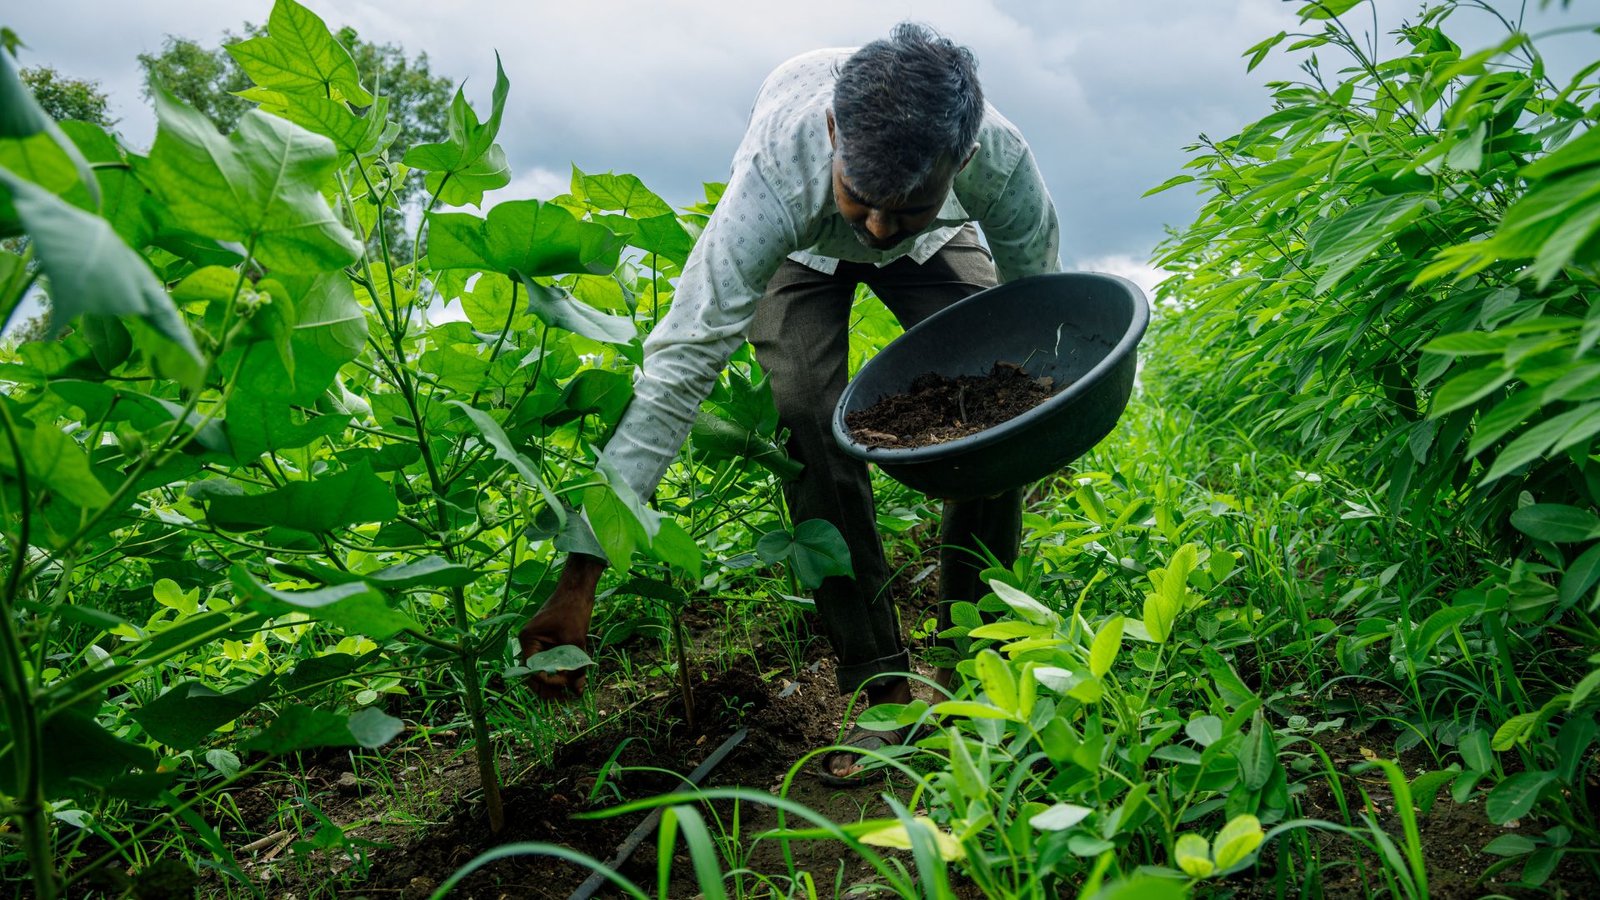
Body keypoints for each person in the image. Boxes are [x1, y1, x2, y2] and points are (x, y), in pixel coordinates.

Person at [519, 22, 1061, 782]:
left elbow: (1038, 312)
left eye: (903, 207)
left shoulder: (997, 163)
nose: (875, 230)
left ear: (961, 163)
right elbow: (679, 371)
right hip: (802, 252)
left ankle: (975, 672)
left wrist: (1039, 423)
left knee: (999, 402)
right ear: (835, 134)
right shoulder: (775, 176)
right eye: (862, 198)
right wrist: (580, 577)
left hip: (936, 250)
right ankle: (881, 694)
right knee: (808, 412)